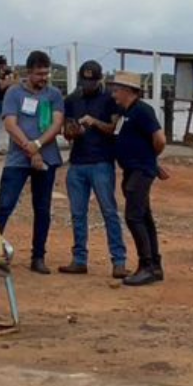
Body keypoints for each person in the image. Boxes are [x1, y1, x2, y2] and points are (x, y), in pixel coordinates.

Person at [0, 50, 65, 275]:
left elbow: (57, 123)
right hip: (17, 159)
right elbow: (11, 125)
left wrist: (39, 146)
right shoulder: (14, 93)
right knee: (4, 205)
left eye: (46, 73)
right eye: (39, 73)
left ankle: (38, 256)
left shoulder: (54, 94)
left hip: (47, 157)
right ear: (28, 72)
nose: (44, 78)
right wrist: (30, 149)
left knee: (42, 208)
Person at [59, 60, 128, 278]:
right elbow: (66, 130)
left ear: (99, 80)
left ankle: (118, 261)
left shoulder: (110, 99)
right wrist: (72, 131)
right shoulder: (72, 99)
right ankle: (79, 259)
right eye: (84, 81)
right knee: (78, 214)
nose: (86, 85)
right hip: (78, 161)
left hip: (102, 161)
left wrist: (94, 122)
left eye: (90, 81)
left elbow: (113, 128)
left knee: (109, 212)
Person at [109, 72, 165, 286]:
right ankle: (155, 265)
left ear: (127, 90)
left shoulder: (142, 111)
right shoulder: (126, 112)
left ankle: (147, 265)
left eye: (117, 90)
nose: (114, 94)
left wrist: (150, 160)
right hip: (133, 170)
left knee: (134, 216)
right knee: (144, 216)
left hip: (140, 171)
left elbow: (159, 139)